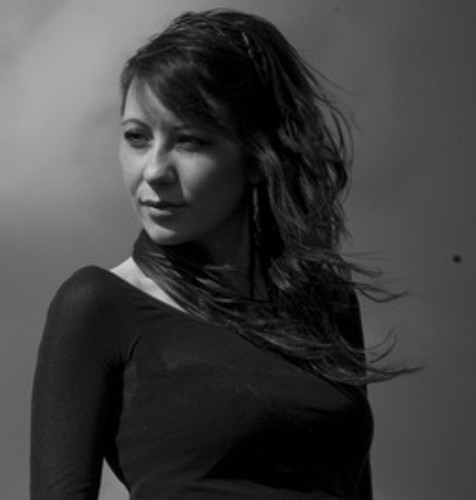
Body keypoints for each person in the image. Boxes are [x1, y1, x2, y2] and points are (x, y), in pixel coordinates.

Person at [30, 9, 404, 500]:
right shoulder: (98, 304)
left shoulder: (327, 302)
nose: (154, 171)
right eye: (137, 137)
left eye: (189, 141)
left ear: (259, 156)